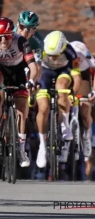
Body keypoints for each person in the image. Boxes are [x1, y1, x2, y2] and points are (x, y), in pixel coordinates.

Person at [0, 16, 39, 168]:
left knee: (22, 110)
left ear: (12, 34)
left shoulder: (20, 41)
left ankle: (21, 150)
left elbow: (33, 67)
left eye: (6, 37)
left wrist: (32, 81)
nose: (2, 41)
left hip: (18, 72)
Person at [35, 31, 82, 169]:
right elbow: (34, 71)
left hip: (63, 72)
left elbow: (77, 77)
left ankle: (64, 124)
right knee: (43, 107)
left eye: (56, 55)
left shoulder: (70, 52)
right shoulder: (40, 49)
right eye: (50, 56)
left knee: (62, 88)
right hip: (44, 72)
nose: (53, 58)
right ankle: (42, 146)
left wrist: (73, 93)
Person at [14, 11, 44, 80]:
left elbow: (38, 66)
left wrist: (33, 82)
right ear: (17, 24)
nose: (24, 32)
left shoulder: (38, 41)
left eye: (29, 29)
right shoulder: (9, 32)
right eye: (22, 27)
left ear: (34, 30)